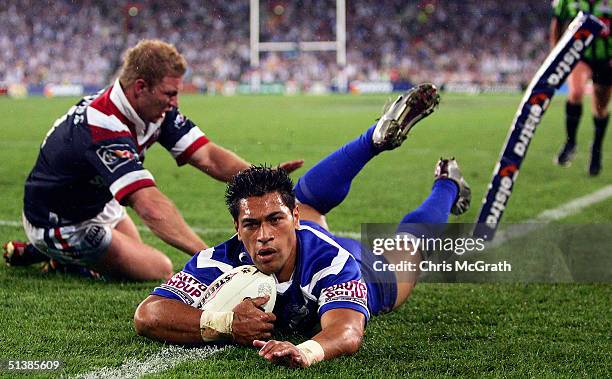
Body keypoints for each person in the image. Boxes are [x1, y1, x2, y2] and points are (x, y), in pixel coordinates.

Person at [134, 83, 472, 367]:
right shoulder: (217, 260)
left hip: (365, 269)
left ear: (293, 220)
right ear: (236, 227)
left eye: (275, 219)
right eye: (251, 224)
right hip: (301, 243)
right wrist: (225, 323)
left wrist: (306, 351)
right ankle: (373, 139)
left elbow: (348, 331)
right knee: (304, 198)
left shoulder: (333, 263)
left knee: (410, 247)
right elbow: (148, 315)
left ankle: (447, 183)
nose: (264, 235)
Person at [2, 39, 303, 281]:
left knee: (135, 252)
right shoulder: (102, 124)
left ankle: (44, 254)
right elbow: (149, 205)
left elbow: (208, 156)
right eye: (169, 93)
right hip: (60, 222)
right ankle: (52, 249)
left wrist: (262, 180)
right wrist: (208, 256)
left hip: (96, 203)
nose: (175, 104)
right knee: (157, 267)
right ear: (140, 87)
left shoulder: (153, 110)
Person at [550, 0, 611, 175]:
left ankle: (596, 150)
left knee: (600, 108)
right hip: (578, 55)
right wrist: (555, 54)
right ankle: (570, 142)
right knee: (576, 92)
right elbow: (557, 23)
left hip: (606, 58)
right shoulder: (566, 1)